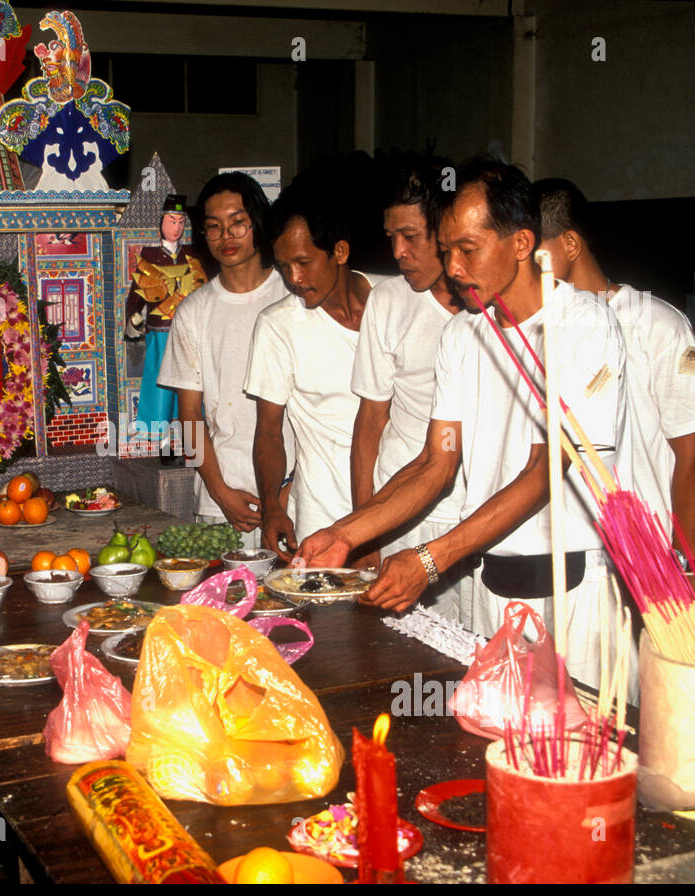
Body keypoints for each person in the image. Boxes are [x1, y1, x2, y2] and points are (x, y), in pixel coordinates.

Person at [298, 160, 634, 692]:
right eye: (447, 248)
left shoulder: (583, 327)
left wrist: (430, 561)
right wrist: (345, 533)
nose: (452, 267)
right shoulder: (462, 335)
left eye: (468, 249)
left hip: (571, 586)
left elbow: (545, 471)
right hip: (491, 577)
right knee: (491, 739)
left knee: (574, 752)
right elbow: (438, 460)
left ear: (522, 243)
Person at [534, 177, 695, 561]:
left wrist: (685, 566)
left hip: (643, 557)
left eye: (533, 252)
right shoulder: (540, 328)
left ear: (569, 244)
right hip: (565, 550)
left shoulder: (663, 324)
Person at [349, 156, 471, 623]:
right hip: (400, 511)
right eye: (391, 237)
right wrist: (365, 529)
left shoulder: (488, 310)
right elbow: (371, 420)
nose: (398, 252)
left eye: (411, 237)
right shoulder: (389, 301)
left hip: (472, 514)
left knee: (469, 653)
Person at [244, 180, 386, 555]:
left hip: (400, 513)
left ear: (339, 251)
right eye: (283, 266)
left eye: (303, 262)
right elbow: (270, 432)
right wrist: (273, 507)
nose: (293, 279)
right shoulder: (278, 325)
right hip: (324, 520)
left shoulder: (396, 301)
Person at [157, 172, 294, 547]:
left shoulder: (293, 295)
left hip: (296, 497)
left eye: (238, 223)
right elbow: (189, 417)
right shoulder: (193, 312)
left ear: (257, 224)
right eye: (214, 228)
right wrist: (219, 490)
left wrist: (288, 493)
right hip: (226, 501)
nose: (226, 237)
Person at [126, 194, 207, 454]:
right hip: (160, 328)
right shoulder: (149, 255)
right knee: (160, 379)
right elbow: (137, 292)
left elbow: (205, 290)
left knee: (191, 380)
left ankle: (193, 432)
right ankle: (158, 435)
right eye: (172, 220)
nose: (177, 226)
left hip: (189, 330)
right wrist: (133, 317)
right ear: (161, 223)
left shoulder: (193, 254)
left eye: (181, 222)